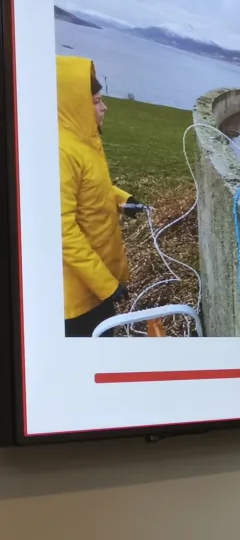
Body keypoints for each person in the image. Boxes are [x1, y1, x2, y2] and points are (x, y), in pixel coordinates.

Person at [57, 56, 139, 338]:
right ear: (74, 104)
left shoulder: (82, 141)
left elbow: (90, 190)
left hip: (95, 289)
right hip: (79, 300)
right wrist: (106, 285)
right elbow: (63, 232)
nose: (104, 107)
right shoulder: (61, 152)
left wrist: (122, 200)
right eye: (95, 101)